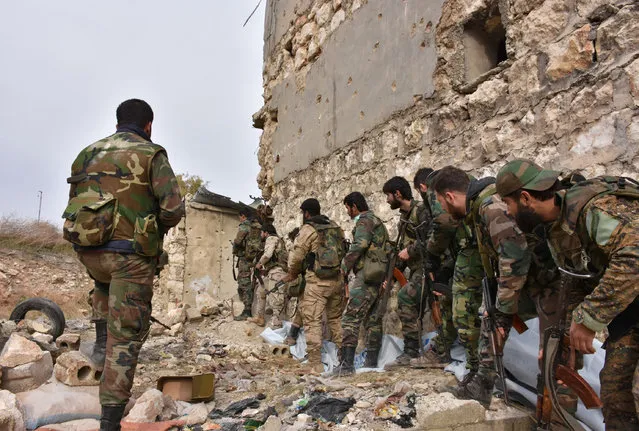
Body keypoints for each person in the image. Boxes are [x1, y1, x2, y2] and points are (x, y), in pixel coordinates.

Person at [62, 99, 184, 431]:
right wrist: (150, 228)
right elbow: (173, 209)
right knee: (126, 334)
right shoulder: (152, 154)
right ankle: (110, 420)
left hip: (89, 251)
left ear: (117, 122)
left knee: (103, 290)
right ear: (148, 126)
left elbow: (75, 203)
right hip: (129, 258)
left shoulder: (87, 153)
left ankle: (100, 349)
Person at [495, 159, 639, 429]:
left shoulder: (594, 208)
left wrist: (588, 319)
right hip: (630, 308)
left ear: (525, 198)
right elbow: (576, 280)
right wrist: (563, 343)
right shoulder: (557, 228)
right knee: (614, 391)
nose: (507, 212)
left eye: (508, 204)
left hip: (631, 295)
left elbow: (633, 259)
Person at [432, 166, 530, 406]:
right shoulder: (478, 209)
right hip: (517, 278)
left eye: (441, 204)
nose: (442, 210)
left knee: (494, 321)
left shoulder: (489, 208)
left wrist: (503, 307)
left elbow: (513, 256)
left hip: (535, 280)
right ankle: (480, 385)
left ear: (450, 196)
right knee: (490, 322)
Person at [282, 199, 345, 372]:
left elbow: (296, 257)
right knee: (336, 319)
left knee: (312, 321)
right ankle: (346, 359)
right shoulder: (335, 227)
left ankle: (315, 363)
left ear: (306, 213)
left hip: (317, 282)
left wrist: (292, 273)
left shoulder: (308, 229)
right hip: (337, 280)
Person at [332, 192, 389, 375]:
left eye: (348, 208)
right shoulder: (377, 220)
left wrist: (344, 266)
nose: (348, 212)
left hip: (366, 275)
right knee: (372, 318)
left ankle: (347, 365)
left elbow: (360, 245)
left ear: (354, 206)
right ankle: (371, 362)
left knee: (350, 317)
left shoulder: (364, 221)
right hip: (377, 275)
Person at [381, 176, 432, 369]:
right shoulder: (404, 217)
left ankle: (412, 350)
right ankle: (413, 349)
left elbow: (431, 238)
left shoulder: (420, 211)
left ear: (398, 194)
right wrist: (392, 277)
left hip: (429, 269)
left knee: (405, 298)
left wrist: (409, 251)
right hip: (417, 269)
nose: (387, 200)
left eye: (388, 195)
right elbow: (401, 251)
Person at [412, 168, 458, 368]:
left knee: (451, 305)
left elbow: (442, 223)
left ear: (422, 187)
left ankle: (443, 351)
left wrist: (432, 254)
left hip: (454, 255)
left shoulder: (433, 189)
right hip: (458, 253)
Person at [248, 223, 290, 328]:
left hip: (277, 273)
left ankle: (276, 328)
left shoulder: (271, 238)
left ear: (266, 232)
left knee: (276, 301)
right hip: (272, 272)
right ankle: (260, 317)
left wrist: (259, 264)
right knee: (260, 291)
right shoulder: (278, 240)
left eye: (262, 232)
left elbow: (268, 255)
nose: (261, 235)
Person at [232, 207, 262, 320]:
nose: (240, 220)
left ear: (243, 216)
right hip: (257, 258)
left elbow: (238, 240)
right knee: (255, 282)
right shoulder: (258, 226)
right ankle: (255, 309)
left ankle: (247, 310)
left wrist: (235, 248)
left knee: (244, 282)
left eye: (240, 217)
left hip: (245, 258)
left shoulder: (245, 225)